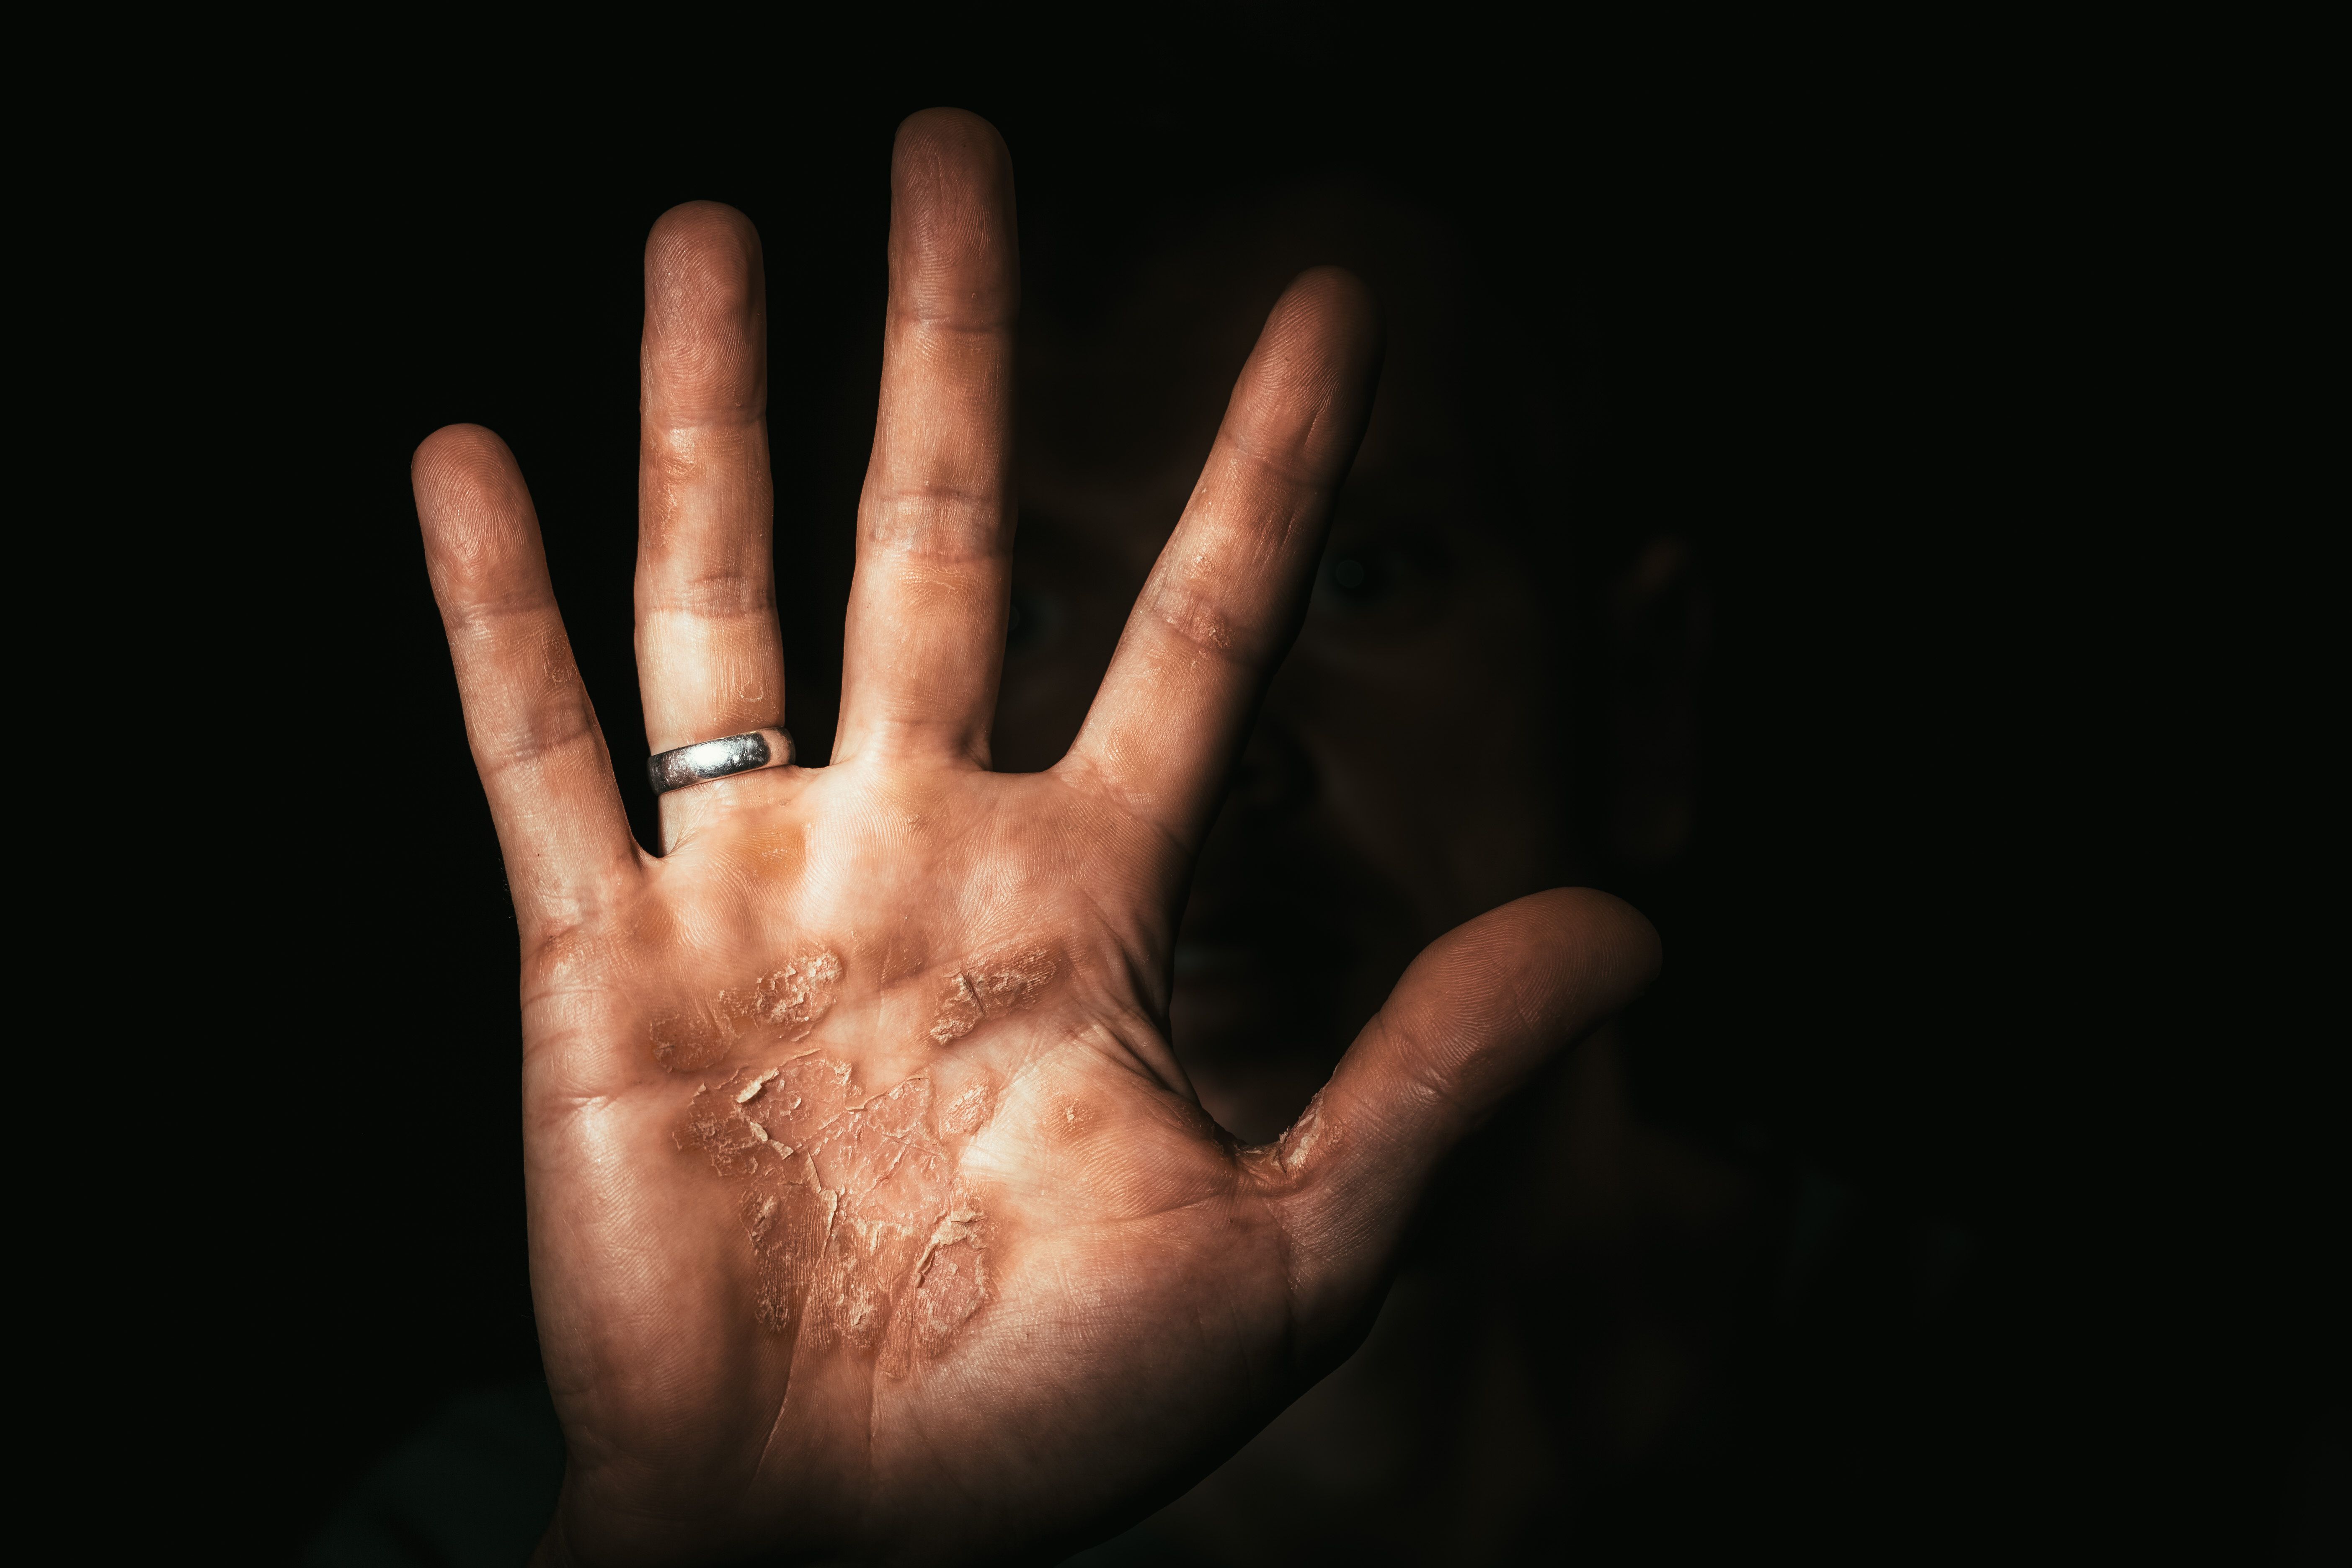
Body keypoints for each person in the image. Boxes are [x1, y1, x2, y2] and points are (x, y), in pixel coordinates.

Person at [396, 108, 1748, 1566]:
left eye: (1359, 576)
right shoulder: (515, 1520)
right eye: (1026, 617)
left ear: (1648, 701)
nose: (1225, 761)